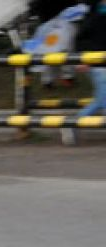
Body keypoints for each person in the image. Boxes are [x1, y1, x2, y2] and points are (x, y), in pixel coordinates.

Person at [65, 0, 106, 145]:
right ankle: (72, 123)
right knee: (104, 97)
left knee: (101, 99)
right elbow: (81, 39)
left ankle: (71, 124)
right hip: (96, 63)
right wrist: (82, 59)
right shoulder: (93, 16)